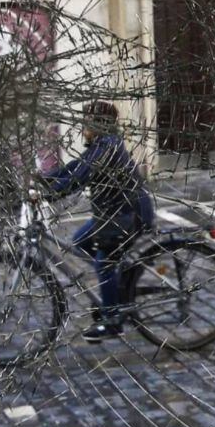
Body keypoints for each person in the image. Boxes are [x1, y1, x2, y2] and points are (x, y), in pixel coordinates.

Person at [41, 101, 155, 342]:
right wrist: (43, 181)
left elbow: (79, 178)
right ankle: (115, 283)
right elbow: (74, 168)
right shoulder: (101, 145)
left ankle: (112, 321)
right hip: (114, 214)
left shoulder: (106, 149)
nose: (83, 127)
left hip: (126, 215)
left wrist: (48, 193)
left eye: (87, 122)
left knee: (103, 261)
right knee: (80, 240)